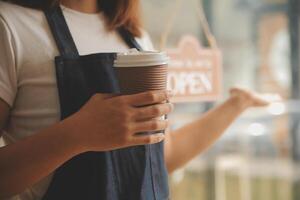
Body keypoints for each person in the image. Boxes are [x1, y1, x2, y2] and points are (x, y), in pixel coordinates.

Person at [0, 0, 269, 199]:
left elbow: (164, 156)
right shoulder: (9, 25)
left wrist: (238, 104)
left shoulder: (136, 38)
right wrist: (77, 134)